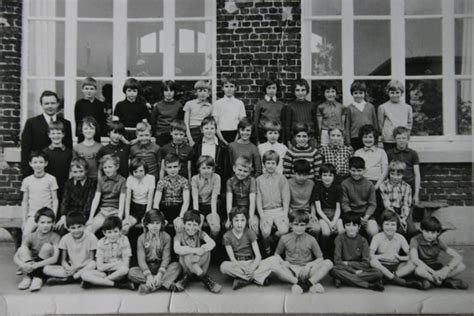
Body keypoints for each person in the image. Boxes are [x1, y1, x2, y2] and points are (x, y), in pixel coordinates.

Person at [273, 210, 334, 294]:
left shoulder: (311, 239)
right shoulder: (284, 238)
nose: (299, 228)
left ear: (306, 226)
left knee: (328, 263)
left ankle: (306, 284)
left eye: (302, 225)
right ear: (290, 225)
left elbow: (320, 258)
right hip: (291, 271)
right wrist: (283, 262)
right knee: (274, 266)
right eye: (296, 225)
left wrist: (309, 265)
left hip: (307, 271)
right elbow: (276, 254)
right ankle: (302, 284)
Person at [220, 207, 279, 290]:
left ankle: (245, 279)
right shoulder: (227, 236)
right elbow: (232, 259)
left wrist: (252, 268)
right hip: (238, 264)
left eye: (242, 220)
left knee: (274, 259)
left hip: (252, 262)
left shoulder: (250, 232)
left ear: (246, 221)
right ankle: (256, 277)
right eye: (236, 220)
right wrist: (241, 268)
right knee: (223, 266)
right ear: (232, 221)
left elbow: (258, 256)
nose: (239, 223)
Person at [21, 90, 73, 178]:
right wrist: (27, 175)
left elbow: (69, 147)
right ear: (41, 104)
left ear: (57, 104)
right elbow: (26, 151)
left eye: (53, 103)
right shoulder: (31, 123)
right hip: (39, 172)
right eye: (46, 103)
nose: (50, 106)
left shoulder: (66, 123)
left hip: (60, 171)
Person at [128, 209, 181, 294]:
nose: (155, 226)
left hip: (161, 266)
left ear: (162, 224)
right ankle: (162, 282)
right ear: (146, 224)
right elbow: (141, 260)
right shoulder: (141, 238)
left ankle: (150, 287)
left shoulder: (166, 237)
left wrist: (159, 274)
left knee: (177, 266)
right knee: (131, 272)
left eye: (157, 223)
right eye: (151, 223)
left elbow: (166, 258)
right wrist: (149, 276)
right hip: (148, 267)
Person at [330, 212, 384, 291]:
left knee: (378, 273)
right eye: (348, 225)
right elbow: (337, 261)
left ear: (359, 227)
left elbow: (366, 263)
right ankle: (369, 285)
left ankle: (345, 279)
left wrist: (348, 263)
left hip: (359, 269)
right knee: (333, 270)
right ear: (344, 227)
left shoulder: (363, 240)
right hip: (345, 269)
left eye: (354, 225)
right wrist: (354, 271)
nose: (351, 228)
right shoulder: (339, 239)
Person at [410, 216, 468, 290]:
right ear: (422, 230)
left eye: (433, 232)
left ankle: (436, 280)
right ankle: (442, 281)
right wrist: (434, 273)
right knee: (418, 271)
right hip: (423, 267)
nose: (430, 235)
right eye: (427, 232)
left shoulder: (438, 241)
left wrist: (446, 269)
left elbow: (458, 257)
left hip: (436, 267)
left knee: (461, 266)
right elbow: (415, 259)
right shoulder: (415, 240)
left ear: (438, 233)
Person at [173, 210, 222, 293]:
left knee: (207, 250)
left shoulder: (200, 233)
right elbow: (176, 249)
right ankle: (206, 280)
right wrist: (195, 250)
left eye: (195, 225)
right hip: (186, 269)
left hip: (199, 264)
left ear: (199, 225)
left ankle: (186, 280)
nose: (191, 228)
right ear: (184, 224)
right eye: (189, 224)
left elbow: (212, 243)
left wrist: (201, 251)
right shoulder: (179, 235)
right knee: (185, 253)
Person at [43, 212, 98, 285]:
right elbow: (63, 261)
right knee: (46, 269)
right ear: (68, 228)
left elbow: (91, 259)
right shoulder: (65, 238)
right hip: (71, 269)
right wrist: (68, 268)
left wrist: (76, 267)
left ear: (84, 226)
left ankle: (69, 279)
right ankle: (79, 278)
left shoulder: (91, 237)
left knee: (93, 264)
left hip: (85, 267)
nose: (76, 230)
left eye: (79, 227)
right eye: (73, 228)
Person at [81, 216, 134, 290]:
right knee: (84, 275)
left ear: (120, 231)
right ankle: (116, 284)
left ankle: (99, 282)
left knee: (125, 269)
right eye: (109, 232)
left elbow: (126, 264)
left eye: (115, 231)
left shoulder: (124, 240)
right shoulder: (100, 243)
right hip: (103, 273)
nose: (112, 235)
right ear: (104, 233)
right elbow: (100, 267)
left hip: (118, 273)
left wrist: (109, 266)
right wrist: (117, 264)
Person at [369, 211, 420, 288]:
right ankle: (398, 280)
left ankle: (389, 277)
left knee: (413, 263)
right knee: (373, 262)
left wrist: (400, 258)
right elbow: (370, 256)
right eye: (386, 224)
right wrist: (383, 256)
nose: (390, 227)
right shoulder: (377, 237)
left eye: (393, 225)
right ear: (381, 225)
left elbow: (410, 256)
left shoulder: (400, 238)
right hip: (382, 265)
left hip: (396, 266)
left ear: (397, 226)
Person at [14, 207, 60, 291]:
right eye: (42, 222)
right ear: (37, 223)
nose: (45, 225)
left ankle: (37, 277)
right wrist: (22, 265)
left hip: (43, 266)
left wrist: (36, 265)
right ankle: (27, 277)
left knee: (47, 247)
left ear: (53, 223)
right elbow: (17, 255)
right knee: (22, 249)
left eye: (49, 222)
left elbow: (55, 259)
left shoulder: (55, 237)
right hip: (30, 266)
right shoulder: (31, 236)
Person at [257, 150, 290, 256]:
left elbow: (286, 197)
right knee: (265, 231)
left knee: (284, 230)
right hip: (266, 211)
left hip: (279, 210)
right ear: (264, 164)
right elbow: (258, 199)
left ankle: (274, 240)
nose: (270, 166)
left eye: (273, 163)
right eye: (268, 163)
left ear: (277, 164)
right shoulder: (259, 180)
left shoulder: (281, 178)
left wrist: (285, 214)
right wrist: (262, 215)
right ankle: (266, 249)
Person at [20, 151, 58, 237]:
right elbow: (25, 202)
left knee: (45, 237)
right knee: (25, 235)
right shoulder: (27, 180)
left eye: (41, 162)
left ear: (46, 163)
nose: (38, 165)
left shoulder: (51, 179)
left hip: (47, 215)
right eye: (35, 162)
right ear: (30, 164)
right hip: (33, 216)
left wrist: (53, 219)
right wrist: (24, 220)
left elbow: (55, 200)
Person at [55, 158, 97, 234]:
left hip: (84, 213)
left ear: (86, 171)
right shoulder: (69, 183)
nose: (78, 174)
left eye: (81, 171)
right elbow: (65, 200)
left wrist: (83, 216)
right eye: (75, 172)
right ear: (71, 172)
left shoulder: (91, 183)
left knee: (81, 228)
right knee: (60, 227)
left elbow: (89, 202)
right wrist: (63, 215)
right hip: (71, 212)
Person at [86, 154, 126, 234]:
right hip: (103, 212)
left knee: (115, 231)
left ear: (117, 167)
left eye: (110, 167)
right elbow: (96, 199)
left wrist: (120, 217)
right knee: (88, 230)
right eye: (105, 167)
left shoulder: (122, 180)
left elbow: (122, 201)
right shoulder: (101, 180)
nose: (107, 170)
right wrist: (91, 218)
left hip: (116, 211)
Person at [341, 157, 378, 238]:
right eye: (353, 170)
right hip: (350, 214)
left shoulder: (369, 184)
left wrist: (366, 217)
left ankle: (370, 249)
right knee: (343, 230)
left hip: (366, 215)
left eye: (359, 170)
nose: (356, 173)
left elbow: (372, 204)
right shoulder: (345, 184)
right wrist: (355, 218)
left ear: (364, 170)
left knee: (373, 230)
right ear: (349, 170)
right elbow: (345, 203)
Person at [153, 153, 190, 233]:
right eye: (169, 167)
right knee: (158, 227)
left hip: (179, 210)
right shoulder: (161, 182)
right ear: (165, 168)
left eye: (175, 166)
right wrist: (159, 217)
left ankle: (178, 244)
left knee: (179, 226)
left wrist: (181, 217)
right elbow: (156, 202)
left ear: (179, 167)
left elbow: (186, 202)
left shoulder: (184, 181)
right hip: (165, 210)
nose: (172, 170)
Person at [379, 160, 417, 237]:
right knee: (395, 227)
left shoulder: (407, 187)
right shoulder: (383, 185)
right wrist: (398, 220)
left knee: (411, 229)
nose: (395, 177)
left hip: (402, 210)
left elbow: (406, 204)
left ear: (403, 175)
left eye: (398, 175)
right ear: (389, 173)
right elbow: (387, 205)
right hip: (389, 211)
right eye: (392, 174)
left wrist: (403, 218)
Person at [386, 126, 421, 206]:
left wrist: (416, 194)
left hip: (409, 185)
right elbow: (387, 173)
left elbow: (417, 175)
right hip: (394, 187)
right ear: (394, 139)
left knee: (408, 209)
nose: (401, 141)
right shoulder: (389, 154)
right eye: (398, 138)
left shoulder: (413, 153)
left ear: (408, 139)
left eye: (404, 138)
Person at [314, 164, 344, 252]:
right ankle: (324, 252)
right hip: (323, 215)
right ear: (320, 176)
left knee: (341, 231)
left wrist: (334, 222)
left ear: (334, 176)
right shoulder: (317, 187)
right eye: (324, 175)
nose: (327, 178)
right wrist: (329, 223)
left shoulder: (338, 188)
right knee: (326, 232)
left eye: (330, 175)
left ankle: (339, 253)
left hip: (335, 214)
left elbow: (338, 209)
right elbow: (318, 209)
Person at [189, 116, 229, 182]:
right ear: (202, 130)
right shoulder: (197, 147)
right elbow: (193, 167)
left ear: (216, 130)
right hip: (200, 182)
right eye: (206, 128)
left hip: (217, 181)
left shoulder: (222, 147)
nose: (209, 131)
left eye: (212, 128)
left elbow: (226, 168)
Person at [377, 80, 413, 151]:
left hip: (402, 139)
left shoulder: (407, 107)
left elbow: (409, 123)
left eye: (397, 92)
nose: (395, 95)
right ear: (388, 93)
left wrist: (405, 135)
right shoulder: (383, 107)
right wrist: (385, 134)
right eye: (392, 93)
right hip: (388, 139)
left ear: (401, 93)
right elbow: (380, 124)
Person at [226, 156, 259, 233]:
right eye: (239, 170)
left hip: (249, 209)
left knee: (254, 227)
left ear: (249, 172)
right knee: (230, 226)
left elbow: (252, 201)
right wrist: (229, 218)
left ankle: (253, 244)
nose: (241, 173)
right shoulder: (230, 181)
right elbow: (229, 202)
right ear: (234, 168)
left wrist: (251, 217)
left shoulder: (252, 181)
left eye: (245, 171)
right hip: (236, 209)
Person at [287, 159, 320, 237]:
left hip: (306, 212)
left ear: (308, 174)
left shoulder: (311, 183)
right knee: (286, 229)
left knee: (316, 228)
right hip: (292, 212)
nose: (302, 177)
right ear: (294, 173)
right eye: (299, 174)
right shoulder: (288, 183)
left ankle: (313, 246)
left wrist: (313, 213)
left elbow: (312, 201)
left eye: (305, 175)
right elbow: (286, 202)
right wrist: (290, 212)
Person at [283, 79, 319, 147]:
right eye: (297, 90)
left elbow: (315, 123)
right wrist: (288, 141)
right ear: (294, 91)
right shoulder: (290, 106)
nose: (300, 92)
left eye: (303, 90)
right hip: (295, 139)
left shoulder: (312, 105)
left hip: (310, 138)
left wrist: (317, 138)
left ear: (307, 91)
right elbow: (287, 126)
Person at [191, 156, 221, 238]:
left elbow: (214, 198)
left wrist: (214, 217)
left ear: (213, 169)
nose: (206, 171)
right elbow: (195, 199)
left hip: (211, 206)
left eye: (209, 168)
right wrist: (196, 216)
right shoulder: (194, 179)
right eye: (203, 168)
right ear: (199, 169)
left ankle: (212, 246)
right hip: (199, 207)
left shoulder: (216, 177)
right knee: (196, 227)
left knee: (215, 228)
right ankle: (197, 247)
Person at [43, 120, 72, 202]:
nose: (56, 136)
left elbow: (71, 170)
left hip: (64, 185)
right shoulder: (45, 152)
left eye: (58, 133)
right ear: (49, 135)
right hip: (49, 186)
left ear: (63, 134)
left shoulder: (69, 152)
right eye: (53, 133)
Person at [213, 74, 247, 145]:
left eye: (231, 86)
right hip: (221, 134)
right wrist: (222, 139)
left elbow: (242, 123)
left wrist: (236, 138)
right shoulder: (217, 103)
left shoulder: (239, 103)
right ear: (222, 88)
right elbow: (215, 123)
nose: (229, 89)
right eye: (226, 86)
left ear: (235, 88)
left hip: (236, 134)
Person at [344, 81, 378, 150]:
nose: (358, 95)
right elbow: (347, 125)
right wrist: (348, 141)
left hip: (368, 137)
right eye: (356, 93)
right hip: (355, 137)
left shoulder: (370, 107)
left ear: (365, 93)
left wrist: (376, 138)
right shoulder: (349, 108)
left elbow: (375, 123)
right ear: (352, 94)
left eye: (361, 93)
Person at [124, 158, 156, 232]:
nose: (138, 174)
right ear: (132, 172)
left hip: (147, 207)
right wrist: (127, 217)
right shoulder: (130, 179)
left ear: (145, 170)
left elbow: (150, 200)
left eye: (141, 171)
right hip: (135, 208)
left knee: (146, 227)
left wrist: (146, 216)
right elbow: (128, 199)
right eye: (135, 171)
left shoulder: (151, 178)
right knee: (125, 227)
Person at [354, 124, 388, 192]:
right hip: (362, 184)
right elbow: (355, 171)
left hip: (378, 184)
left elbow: (384, 172)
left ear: (374, 138)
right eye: (365, 137)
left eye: (370, 137)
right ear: (361, 138)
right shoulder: (358, 152)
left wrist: (376, 187)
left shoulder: (381, 152)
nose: (368, 139)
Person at [150, 80, 183, 146]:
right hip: (160, 134)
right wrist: (154, 135)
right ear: (163, 92)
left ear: (174, 92)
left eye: (171, 91)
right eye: (166, 91)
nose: (169, 93)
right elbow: (153, 122)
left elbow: (180, 122)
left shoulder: (178, 105)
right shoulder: (158, 105)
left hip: (174, 134)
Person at [254, 76, 285, 144]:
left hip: (277, 135)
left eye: (274, 88)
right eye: (269, 88)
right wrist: (257, 140)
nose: (271, 90)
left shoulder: (281, 104)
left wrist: (282, 141)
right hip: (263, 135)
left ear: (277, 89)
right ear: (265, 89)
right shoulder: (260, 104)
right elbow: (255, 123)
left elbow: (283, 124)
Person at [74, 77, 107, 141]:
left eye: (92, 89)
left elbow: (102, 122)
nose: (89, 91)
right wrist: (79, 135)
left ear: (96, 90)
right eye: (86, 88)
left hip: (96, 136)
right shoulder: (79, 104)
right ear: (82, 89)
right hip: (83, 136)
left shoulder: (100, 104)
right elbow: (77, 121)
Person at [184, 80, 213, 146]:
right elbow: (186, 122)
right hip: (192, 131)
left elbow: (211, 123)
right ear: (196, 93)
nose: (202, 93)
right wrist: (190, 139)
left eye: (205, 91)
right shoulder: (189, 104)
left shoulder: (210, 106)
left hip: (205, 131)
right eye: (200, 91)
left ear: (208, 93)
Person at [316, 82, 345, 146]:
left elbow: (343, 123)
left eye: (333, 91)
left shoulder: (341, 107)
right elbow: (319, 125)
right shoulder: (320, 107)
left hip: (338, 132)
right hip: (325, 132)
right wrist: (319, 136)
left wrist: (343, 133)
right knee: (325, 150)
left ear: (336, 93)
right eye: (327, 92)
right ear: (323, 93)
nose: (330, 94)